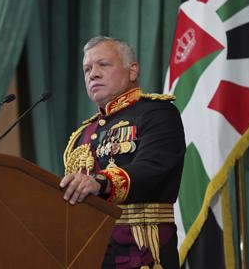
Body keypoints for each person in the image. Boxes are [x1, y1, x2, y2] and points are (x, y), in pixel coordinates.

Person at [60, 36, 186, 269]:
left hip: (141, 252)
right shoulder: (83, 133)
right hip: (90, 254)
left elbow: (152, 169)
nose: (93, 74)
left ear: (132, 71)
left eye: (103, 65)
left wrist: (101, 181)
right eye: (87, 69)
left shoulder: (157, 113)